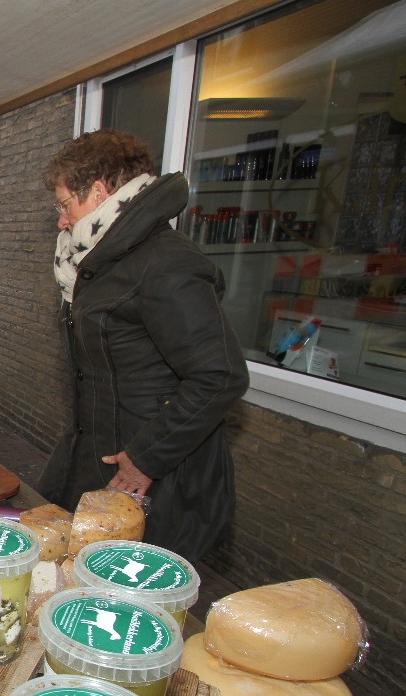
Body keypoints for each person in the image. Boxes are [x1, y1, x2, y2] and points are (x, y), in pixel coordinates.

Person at [36, 130, 249, 560]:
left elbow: (219, 374)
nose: (61, 221)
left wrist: (145, 459)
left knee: (123, 588)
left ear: (99, 193)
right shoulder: (97, 262)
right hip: (98, 456)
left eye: (64, 205)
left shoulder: (165, 262)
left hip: (154, 476)